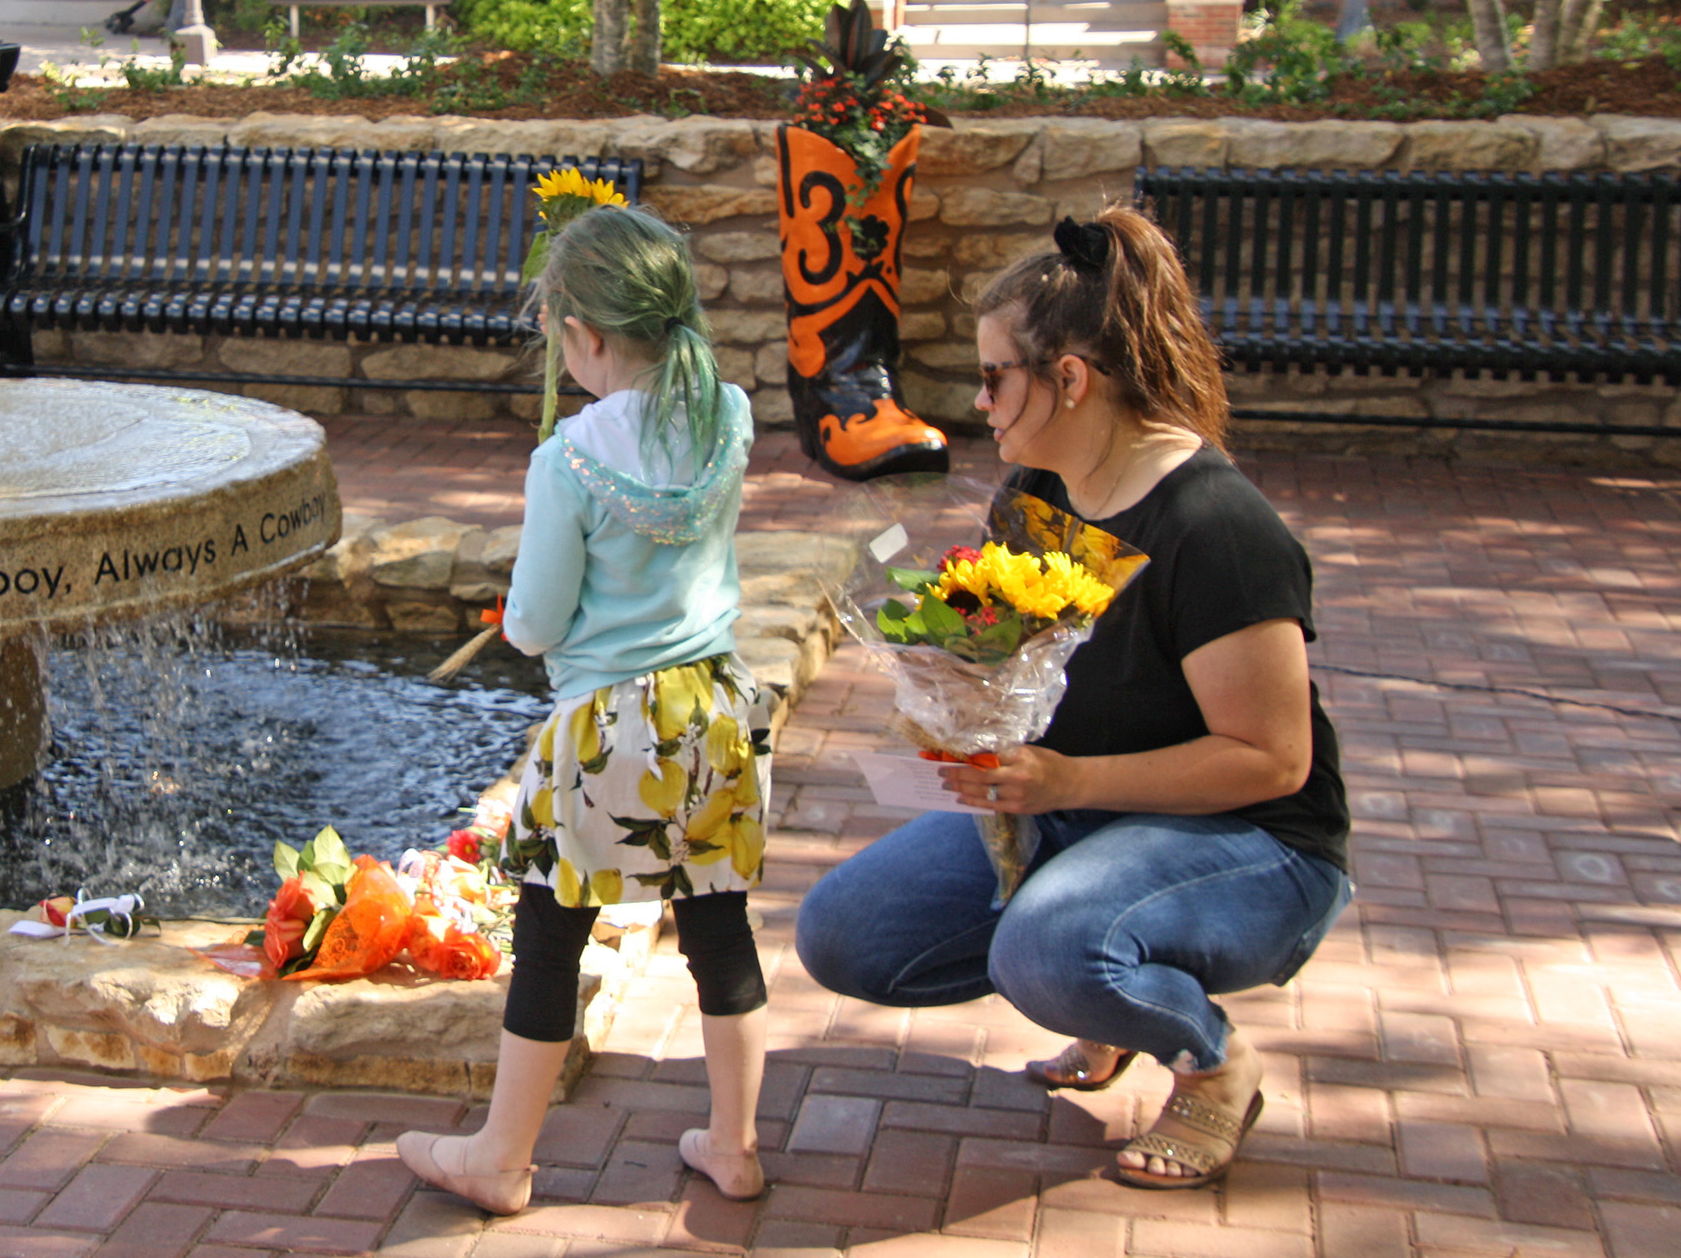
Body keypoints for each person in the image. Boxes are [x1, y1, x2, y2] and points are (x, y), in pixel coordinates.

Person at [794, 207, 1353, 1191]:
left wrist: (1068, 777)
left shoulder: (1218, 527)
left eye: (993, 375)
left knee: (1046, 947)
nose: (979, 399)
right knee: (843, 932)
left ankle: (1212, 1059)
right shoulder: (1035, 490)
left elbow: (1274, 760)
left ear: (1070, 378)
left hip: (1254, 843)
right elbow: (1010, 651)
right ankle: (1107, 997)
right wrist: (948, 694)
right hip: (1082, 810)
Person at [396, 206, 775, 1215]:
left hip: (609, 725)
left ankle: (501, 1156)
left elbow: (532, 620)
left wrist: (526, 619)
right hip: (715, 712)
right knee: (720, 929)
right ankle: (734, 1146)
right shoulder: (727, 414)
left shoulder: (567, 460)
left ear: (584, 336)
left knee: (552, 930)